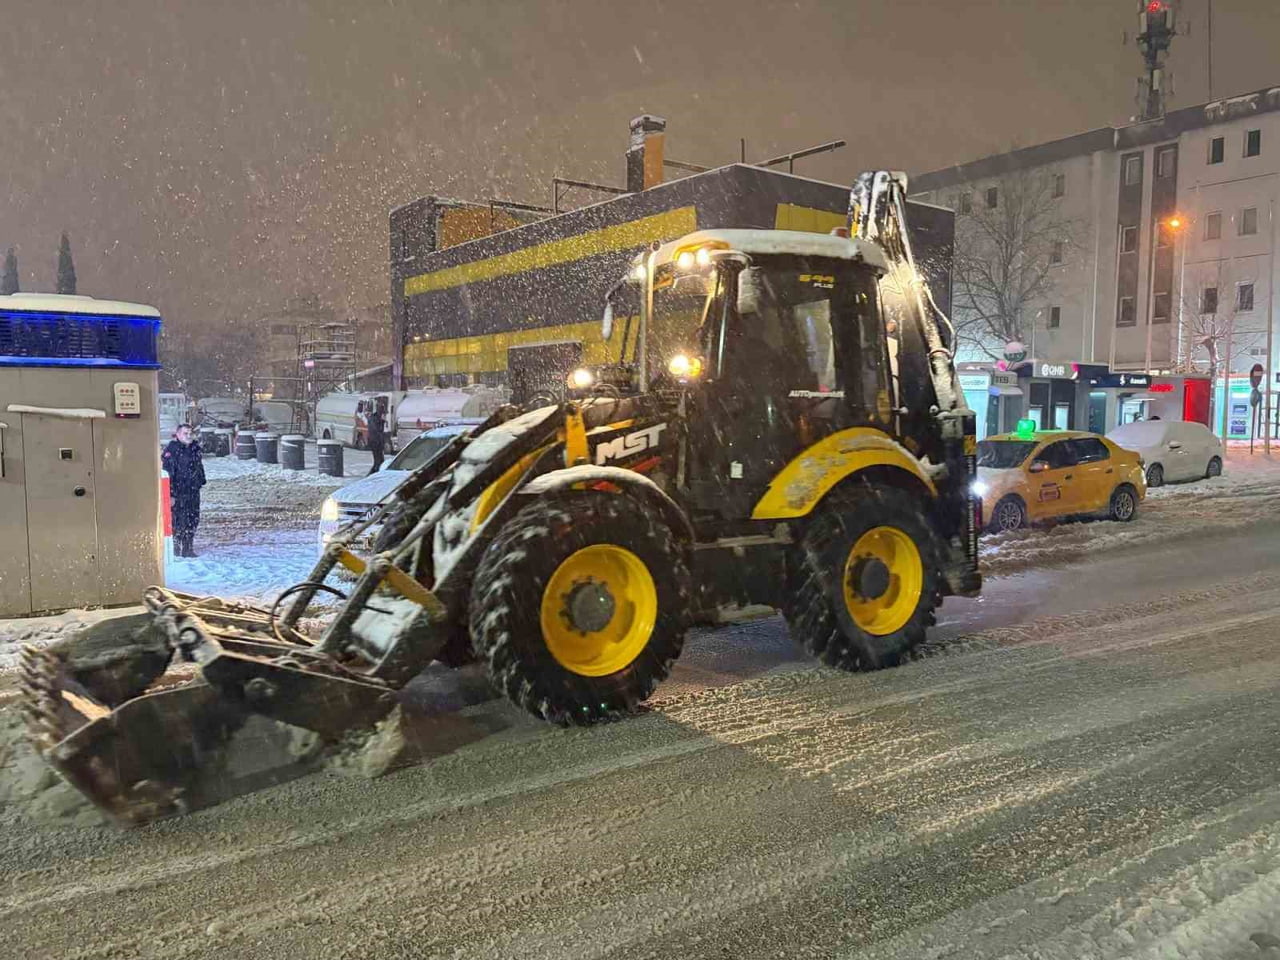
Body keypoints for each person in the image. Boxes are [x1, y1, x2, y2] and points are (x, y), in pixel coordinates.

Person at [162, 424, 207, 557]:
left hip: (192, 491)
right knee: (178, 520)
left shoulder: (195, 449)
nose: (188, 436)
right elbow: (168, 473)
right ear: (178, 435)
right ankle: (175, 548)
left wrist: (201, 480)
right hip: (178, 492)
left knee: (192, 518)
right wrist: (170, 494)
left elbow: (199, 466)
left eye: (190, 433)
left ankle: (188, 548)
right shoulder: (172, 451)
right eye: (185, 433)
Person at [366, 399, 387, 475]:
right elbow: (377, 430)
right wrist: (382, 422)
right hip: (375, 442)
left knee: (380, 461)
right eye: (382, 410)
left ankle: (373, 474)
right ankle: (372, 475)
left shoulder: (378, 418)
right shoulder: (373, 418)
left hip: (378, 442)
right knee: (378, 461)